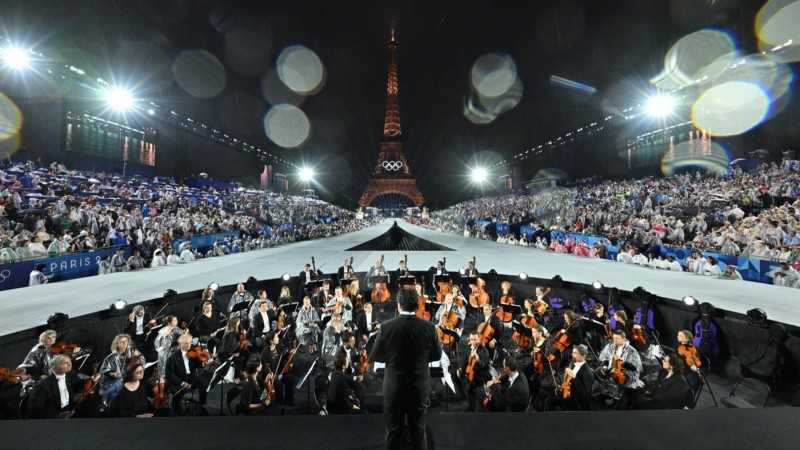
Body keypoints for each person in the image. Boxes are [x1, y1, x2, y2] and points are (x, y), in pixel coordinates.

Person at [372, 287, 442, 450]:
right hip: (418, 388)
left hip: (394, 387)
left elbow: (377, 356)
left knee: (393, 432)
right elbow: (436, 355)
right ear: (417, 305)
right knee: (418, 432)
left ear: (398, 305)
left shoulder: (386, 327)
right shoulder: (429, 327)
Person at [27, 354, 101, 419]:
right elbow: (34, 412)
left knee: (95, 405)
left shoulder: (71, 374)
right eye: (66, 363)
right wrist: (57, 416)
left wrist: (92, 378)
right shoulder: (41, 386)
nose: (70, 364)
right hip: (55, 414)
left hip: (70, 409)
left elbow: (81, 386)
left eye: (70, 362)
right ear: (55, 367)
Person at [618, 353, 690, 410]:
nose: (662, 361)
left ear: (672, 365)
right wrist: (648, 392)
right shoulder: (663, 372)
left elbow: (669, 399)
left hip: (663, 405)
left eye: (665, 360)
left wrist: (648, 399)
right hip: (655, 396)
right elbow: (657, 385)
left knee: (637, 403)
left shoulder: (680, 381)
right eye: (663, 359)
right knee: (628, 391)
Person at [165, 333, 210, 416]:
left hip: (192, 377)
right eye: (186, 343)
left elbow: (197, 364)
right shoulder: (172, 357)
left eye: (190, 342)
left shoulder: (192, 352)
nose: (189, 345)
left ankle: (201, 405)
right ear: (181, 344)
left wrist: (204, 363)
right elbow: (169, 375)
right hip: (179, 379)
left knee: (204, 384)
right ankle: (178, 413)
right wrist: (182, 383)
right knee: (177, 393)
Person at [543, 344, 593, 411]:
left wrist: (574, 377)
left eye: (575, 353)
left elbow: (584, 393)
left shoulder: (587, 372)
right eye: (572, 352)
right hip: (567, 392)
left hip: (575, 400)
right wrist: (561, 388)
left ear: (583, 356)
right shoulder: (573, 364)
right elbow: (568, 382)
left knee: (549, 400)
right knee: (543, 391)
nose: (572, 354)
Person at [99, 334, 145, 406]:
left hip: (132, 378)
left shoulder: (132, 351)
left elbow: (142, 360)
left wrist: (137, 357)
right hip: (117, 381)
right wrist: (114, 374)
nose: (125, 344)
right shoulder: (111, 357)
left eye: (126, 341)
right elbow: (104, 371)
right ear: (117, 344)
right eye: (122, 342)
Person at [597, 330, 644, 400]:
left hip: (626, 371)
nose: (615, 340)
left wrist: (621, 361)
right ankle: (604, 392)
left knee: (618, 378)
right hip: (611, 368)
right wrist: (604, 366)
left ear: (624, 339)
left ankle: (616, 397)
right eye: (614, 338)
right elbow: (605, 358)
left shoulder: (632, 351)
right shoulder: (610, 345)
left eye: (617, 338)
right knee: (597, 373)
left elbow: (633, 367)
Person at [457, 331, 491, 413]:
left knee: (469, 386)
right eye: (471, 339)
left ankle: (472, 406)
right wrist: (461, 368)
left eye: (475, 339)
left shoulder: (484, 351)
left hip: (480, 374)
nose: (473, 342)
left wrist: (478, 358)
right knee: (454, 375)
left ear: (479, 339)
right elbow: (465, 361)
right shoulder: (468, 348)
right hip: (469, 372)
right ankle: (462, 394)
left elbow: (486, 367)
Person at [260, 330, 296, 407]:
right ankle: (278, 405)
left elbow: (284, 356)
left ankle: (289, 402)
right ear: (271, 341)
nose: (278, 338)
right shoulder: (265, 353)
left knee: (290, 378)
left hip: (280, 373)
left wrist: (291, 353)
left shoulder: (278, 347)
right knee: (278, 385)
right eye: (276, 337)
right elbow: (263, 370)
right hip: (270, 376)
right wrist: (274, 376)